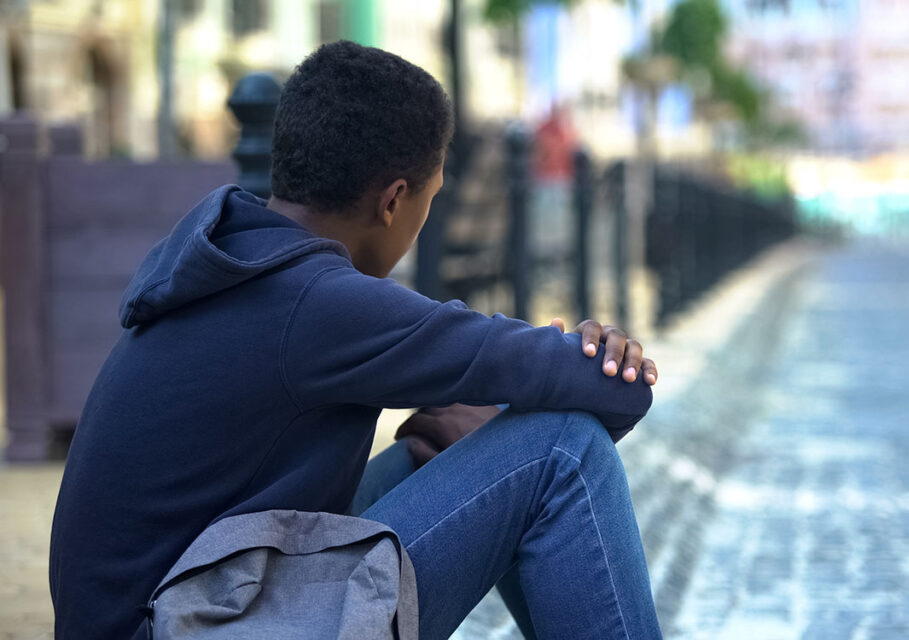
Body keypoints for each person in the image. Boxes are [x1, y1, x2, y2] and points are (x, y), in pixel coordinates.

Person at [49, 40, 662, 639]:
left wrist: (485, 433)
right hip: (195, 619)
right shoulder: (317, 302)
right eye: (431, 197)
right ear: (395, 200)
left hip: (184, 602)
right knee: (562, 450)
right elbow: (615, 390)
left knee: (460, 445)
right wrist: (598, 363)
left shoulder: (235, 260)